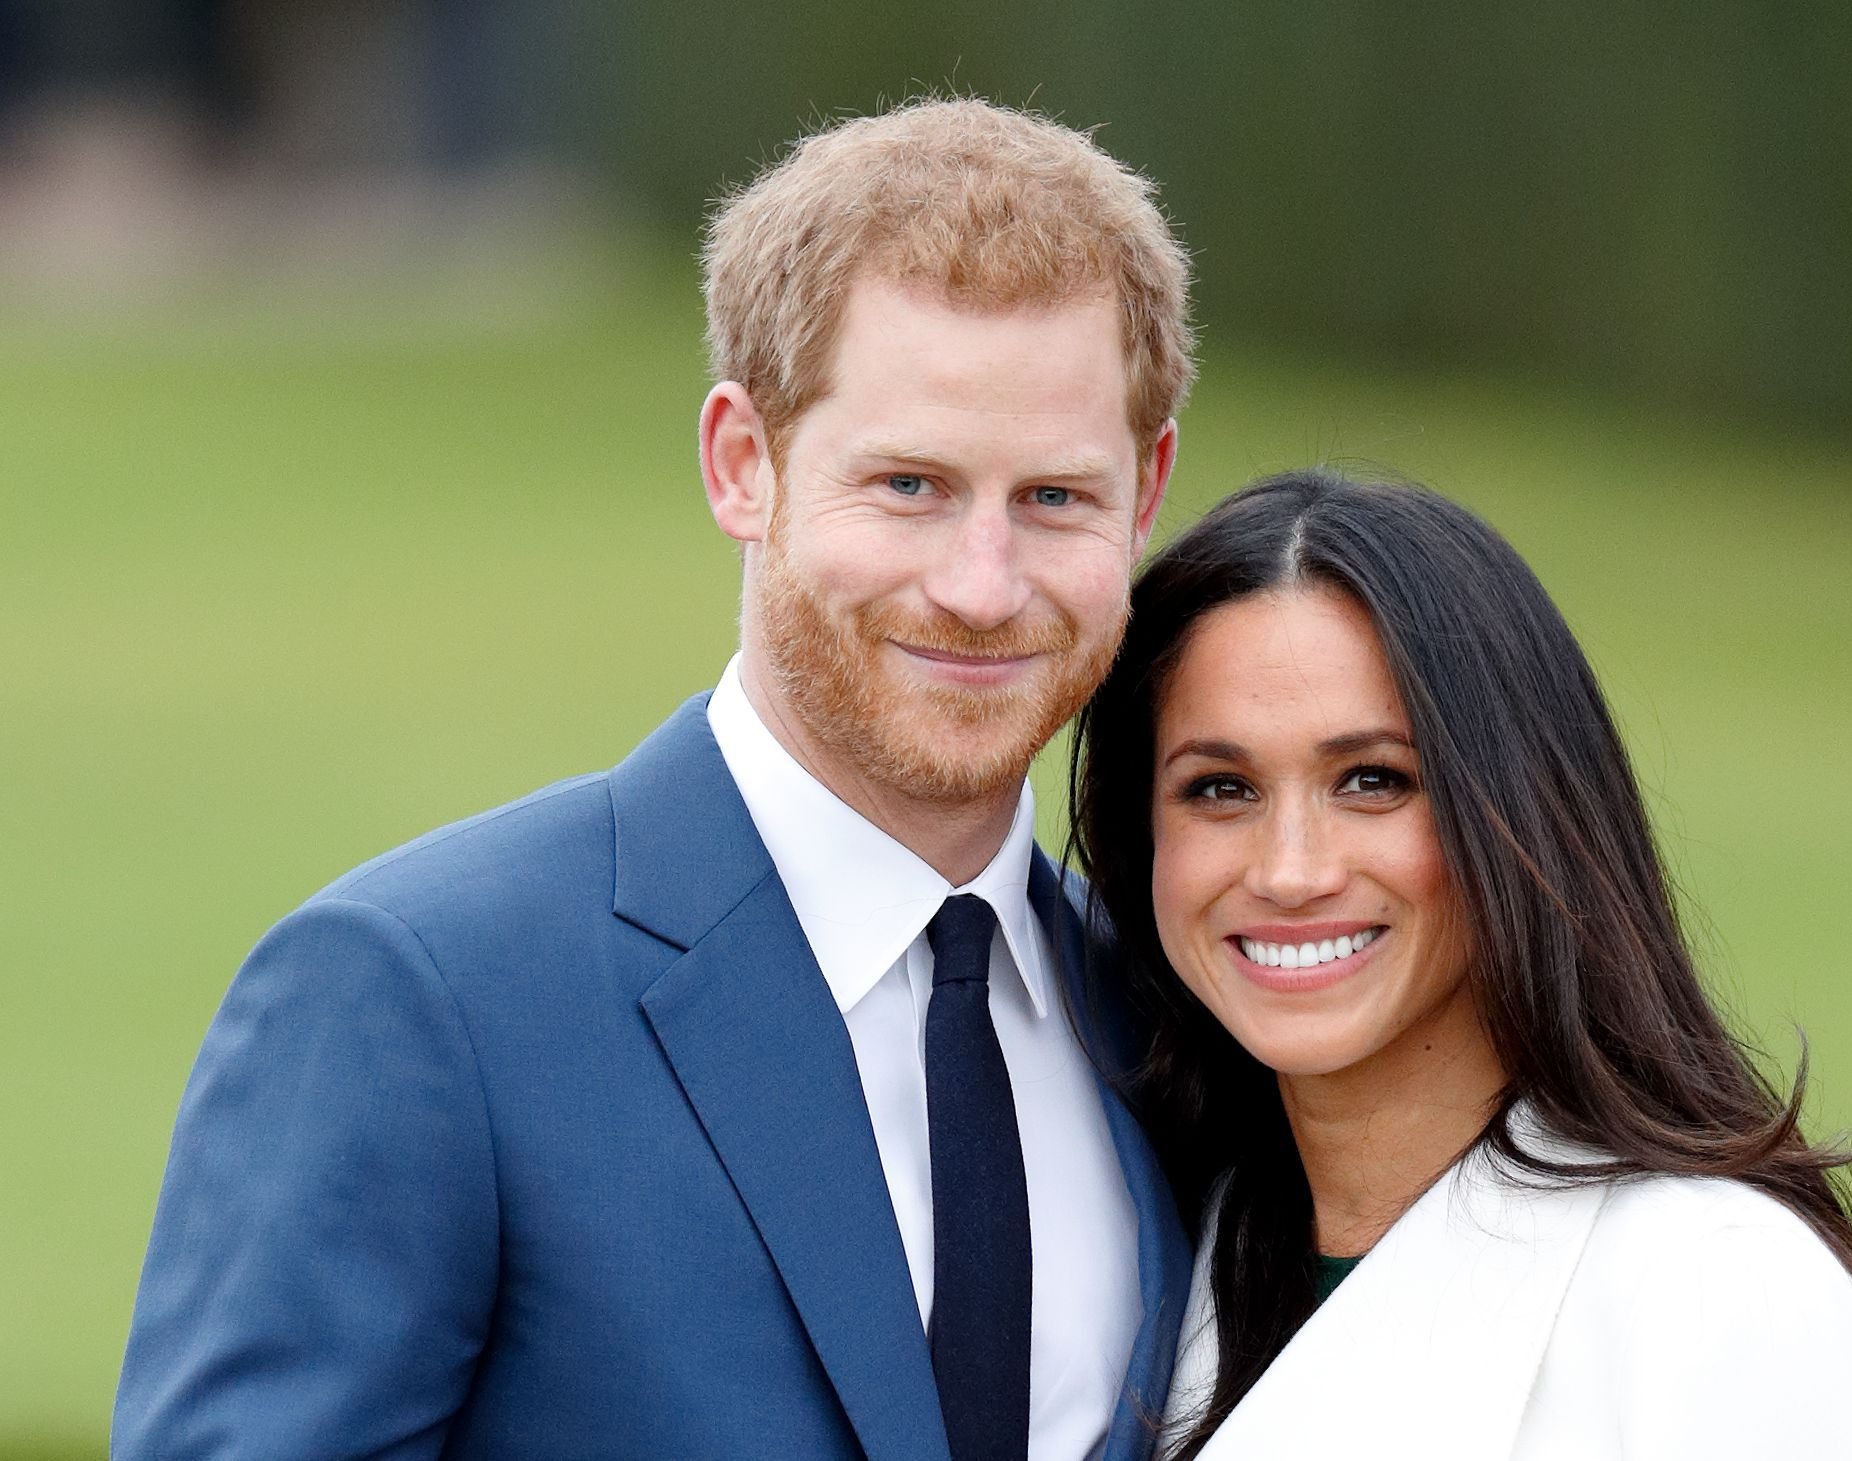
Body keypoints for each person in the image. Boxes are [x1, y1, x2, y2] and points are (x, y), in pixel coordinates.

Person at [115, 98, 1194, 1461]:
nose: (982, 587)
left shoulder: (1174, 1016)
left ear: (1146, 492)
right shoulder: (421, 997)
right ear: (745, 464)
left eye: (1053, 498)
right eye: (910, 485)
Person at [1069, 470, 1852, 1459]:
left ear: (1517, 812)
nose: (1288, 870)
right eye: (1219, 789)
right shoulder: (1155, 1256)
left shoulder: (1715, 1293)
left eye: (1371, 781)